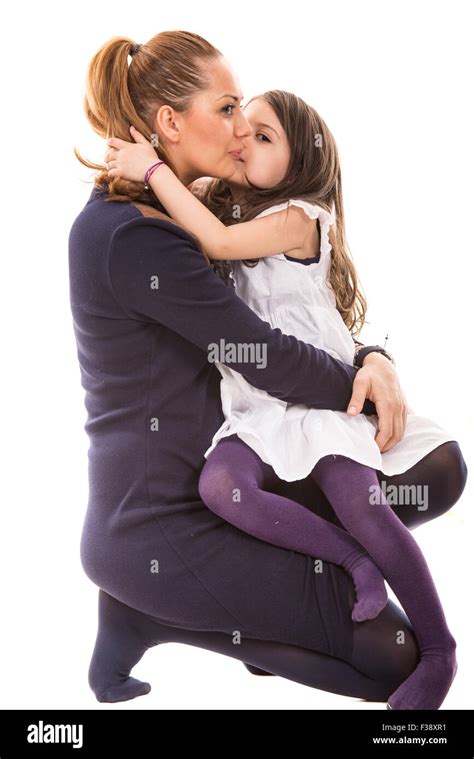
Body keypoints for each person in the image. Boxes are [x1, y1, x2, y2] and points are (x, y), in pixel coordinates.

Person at [70, 31, 467, 705]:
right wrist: (362, 393)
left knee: (437, 472)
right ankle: (154, 611)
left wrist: (375, 357)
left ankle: (258, 593)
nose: (240, 129)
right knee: (397, 660)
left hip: (242, 470)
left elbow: (293, 308)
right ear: (170, 123)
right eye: (226, 109)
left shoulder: (189, 212)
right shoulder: (135, 238)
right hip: (165, 524)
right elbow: (260, 351)